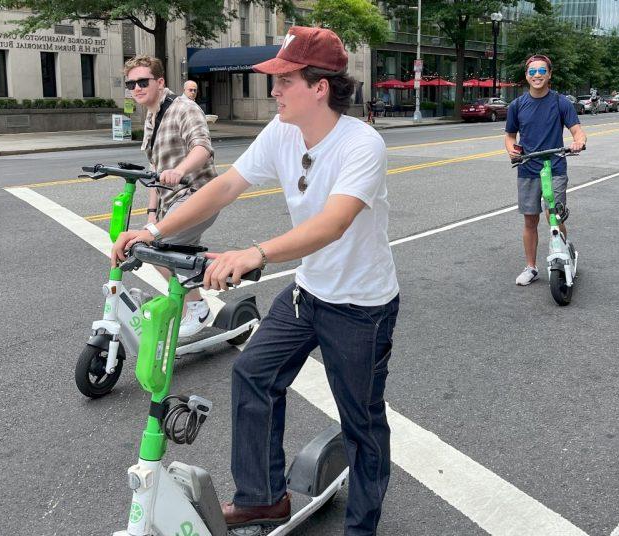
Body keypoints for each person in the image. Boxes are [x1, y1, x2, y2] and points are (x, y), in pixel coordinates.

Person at [112, 26, 400, 536]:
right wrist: (152, 229)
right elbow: (224, 186)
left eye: (284, 80)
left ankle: (363, 527)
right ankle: (263, 499)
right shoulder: (283, 132)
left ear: (320, 87)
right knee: (253, 375)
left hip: (361, 307)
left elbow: (332, 224)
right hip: (309, 294)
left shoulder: (362, 145)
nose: (273, 90)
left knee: (362, 422)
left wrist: (255, 253)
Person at [124, 55, 218, 337]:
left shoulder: (184, 109)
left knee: (157, 249)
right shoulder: (152, 116)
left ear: (160, 81)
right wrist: (152, 214)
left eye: (143, 81)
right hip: (171, 202)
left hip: (197, 195)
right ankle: (191, 299)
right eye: (131, 84)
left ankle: (197, 307)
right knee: (157, 246)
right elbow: (155, 169)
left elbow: (202, 148)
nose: (137, 88)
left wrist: (179, 170)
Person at [504, 54, 587, 286]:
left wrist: (578, 141)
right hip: (528, 168)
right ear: (526, 76)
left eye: (542, 71)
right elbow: (510, 136)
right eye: (532, 72)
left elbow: (577, 131)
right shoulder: (517, 105)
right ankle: (531, 268)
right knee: (530, 221)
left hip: (555, 167)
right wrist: (512, 150)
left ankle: (563, 257)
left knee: (555, 215)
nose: (537, 75)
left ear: (549, 74)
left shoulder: (561, 102)